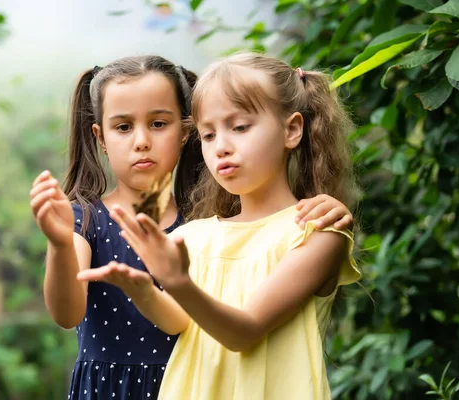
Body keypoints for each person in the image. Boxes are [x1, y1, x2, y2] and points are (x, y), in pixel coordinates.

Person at [30, 54, 356, 399]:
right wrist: (138, 288)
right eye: (210, 134)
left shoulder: (311, 230)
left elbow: (241, 331)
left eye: (240, 127)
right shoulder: (194, 234)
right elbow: (169, 320)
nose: (222, 147)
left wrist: (173, 282)